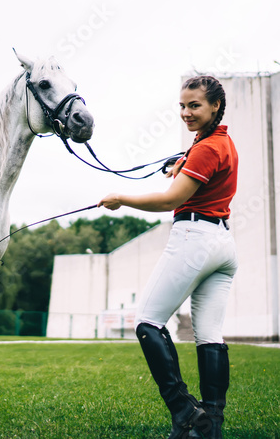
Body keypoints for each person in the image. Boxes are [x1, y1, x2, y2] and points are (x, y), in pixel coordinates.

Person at [98, 75, 238, 439]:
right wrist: (182, 162)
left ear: (215, 106)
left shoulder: (206, 148)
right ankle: (211, 426)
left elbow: (169, 200)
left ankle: (184, 411)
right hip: (222, 242)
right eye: (182, 105)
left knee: (147, 321)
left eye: (195, 106)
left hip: (195, 238)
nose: (186, 112)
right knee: (209, 335)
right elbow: (198, 179)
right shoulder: (219, 143)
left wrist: (120, 198)